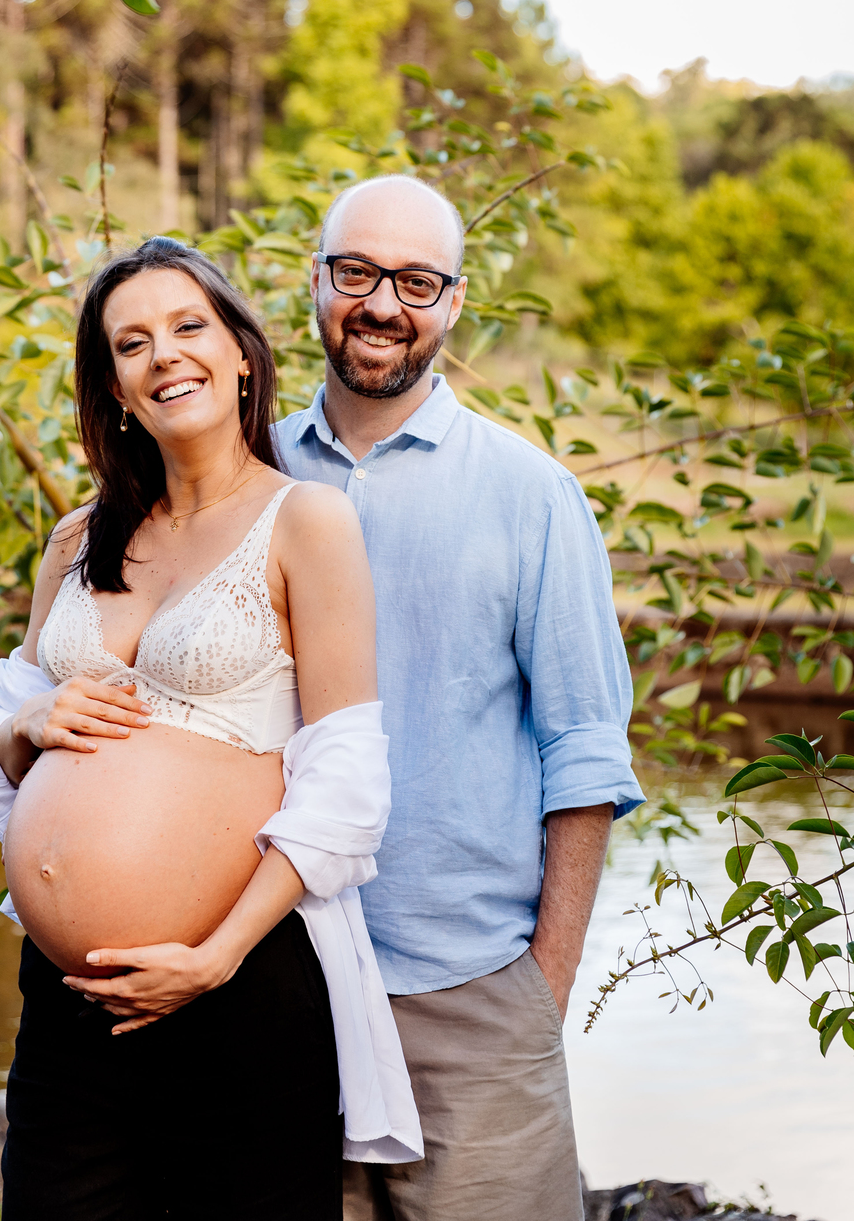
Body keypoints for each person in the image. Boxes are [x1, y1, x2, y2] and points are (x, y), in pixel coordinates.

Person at [0, 236, 422, 1221]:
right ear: (117, 389)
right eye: (131, 344)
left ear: (243, 355)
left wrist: (212, 956)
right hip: (67, 1003)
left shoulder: (307, 522)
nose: (163, 354)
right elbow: (3, 740)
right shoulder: (76, 540)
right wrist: (29, 724)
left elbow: (347, 776)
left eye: (187, 327)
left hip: (238, 986)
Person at [273, 175, 645, 1221]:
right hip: (278, 985)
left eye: (416, 281)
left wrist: (543, 989)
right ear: (317, 281)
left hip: (471, 998)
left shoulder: (531, 496)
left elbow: (586, 753)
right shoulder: (248, 475)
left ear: (455, 302)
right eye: (357, 272)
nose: (383, 304)